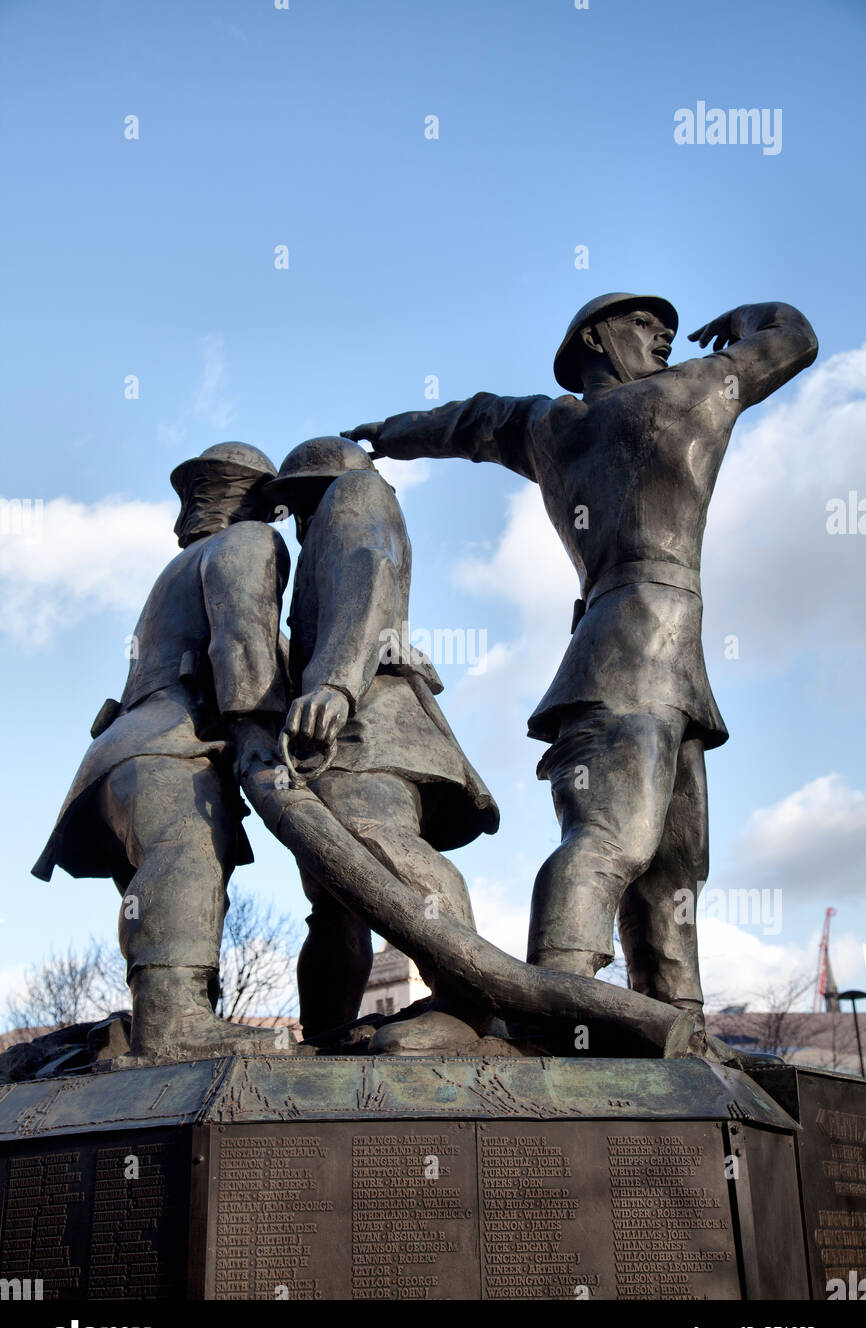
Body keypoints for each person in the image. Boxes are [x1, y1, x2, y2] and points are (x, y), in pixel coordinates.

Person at [343, 294, 818, 1025]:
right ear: (594, 338)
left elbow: (468, 421)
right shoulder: (689, 392)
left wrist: (387, 435)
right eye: (643, 324)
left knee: (675, 865)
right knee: (613, 839)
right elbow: (793, 341)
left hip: (657, 661)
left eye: (667, 328)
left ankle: (678, 1024)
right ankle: (554, 1008)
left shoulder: (544, 424)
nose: (664, 335)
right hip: (634, 653)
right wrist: (755, 315)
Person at [33, 443, 290, 1057]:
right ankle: (174, 1023)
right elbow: (241, 639)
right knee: (189, 858)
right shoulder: (248, 543)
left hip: (120, 760)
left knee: (167, 887)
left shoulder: (175, 570)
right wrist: (258, 734)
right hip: (172, 752)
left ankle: (168, 1015)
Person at [261, 435, 499, 1040]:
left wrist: (335, 686)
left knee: (381, 849)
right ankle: (326, 1034)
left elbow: (370, 575)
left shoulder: (355, 493)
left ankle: (465, 1003)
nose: (293, 524)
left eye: (293, 506)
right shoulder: (327, 530)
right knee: (336, 897)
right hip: (342, 726)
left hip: (366, 727)